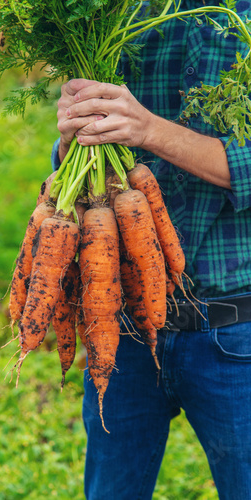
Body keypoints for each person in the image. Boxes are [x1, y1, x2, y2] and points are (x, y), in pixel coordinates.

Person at [51, 1, 251, 498]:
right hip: (120, 324)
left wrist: (150, 131)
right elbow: (77, 158)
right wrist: (75, 139)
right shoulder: (112, 13)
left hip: (237, 328)